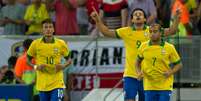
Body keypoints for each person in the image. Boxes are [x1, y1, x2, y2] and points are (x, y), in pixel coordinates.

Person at [91, 8, 180, 101]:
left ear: (145, 19)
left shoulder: (152, 31)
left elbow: (171, 31)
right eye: (135, 14)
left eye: (140, 14)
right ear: (132, 20)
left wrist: (177, 18)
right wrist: (97, 20)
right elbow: (106, 32)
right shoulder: (126, 31)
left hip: (147, 77)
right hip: (130, 75)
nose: (138, 15)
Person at [27, 19, 72, 101]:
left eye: (50, 27)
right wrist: (36, 67)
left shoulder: (61, 43)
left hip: (58, 84)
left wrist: (63, 66)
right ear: (42, 30)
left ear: (53, 29)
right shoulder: (35, 44)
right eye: (46, 27)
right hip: (42, 85)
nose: (48, 29)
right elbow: (28, 60)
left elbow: (69, 60)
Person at [135, 23, 182, 101]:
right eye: (150, 31)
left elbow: (179, 64)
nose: (152, 34)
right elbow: (137, 62)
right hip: (149, 85)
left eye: (155, 31)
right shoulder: (143, 46)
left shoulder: (169, 47)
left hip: (165, 85)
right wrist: (138, 72)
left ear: (161, 33)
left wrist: (170, 72)